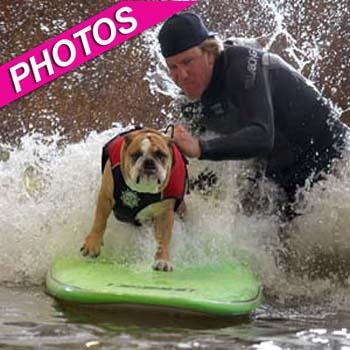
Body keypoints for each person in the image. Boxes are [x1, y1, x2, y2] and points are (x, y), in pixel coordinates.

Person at [157, 12, 349, 221]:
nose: (182, 75)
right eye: (173, 67)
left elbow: (262, 135)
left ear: (209, 54)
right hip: (280, 174)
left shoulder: (244, 65)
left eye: (188, 62)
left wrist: (201, 148)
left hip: (332, 162)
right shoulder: (189, 103)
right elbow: (193, 163)